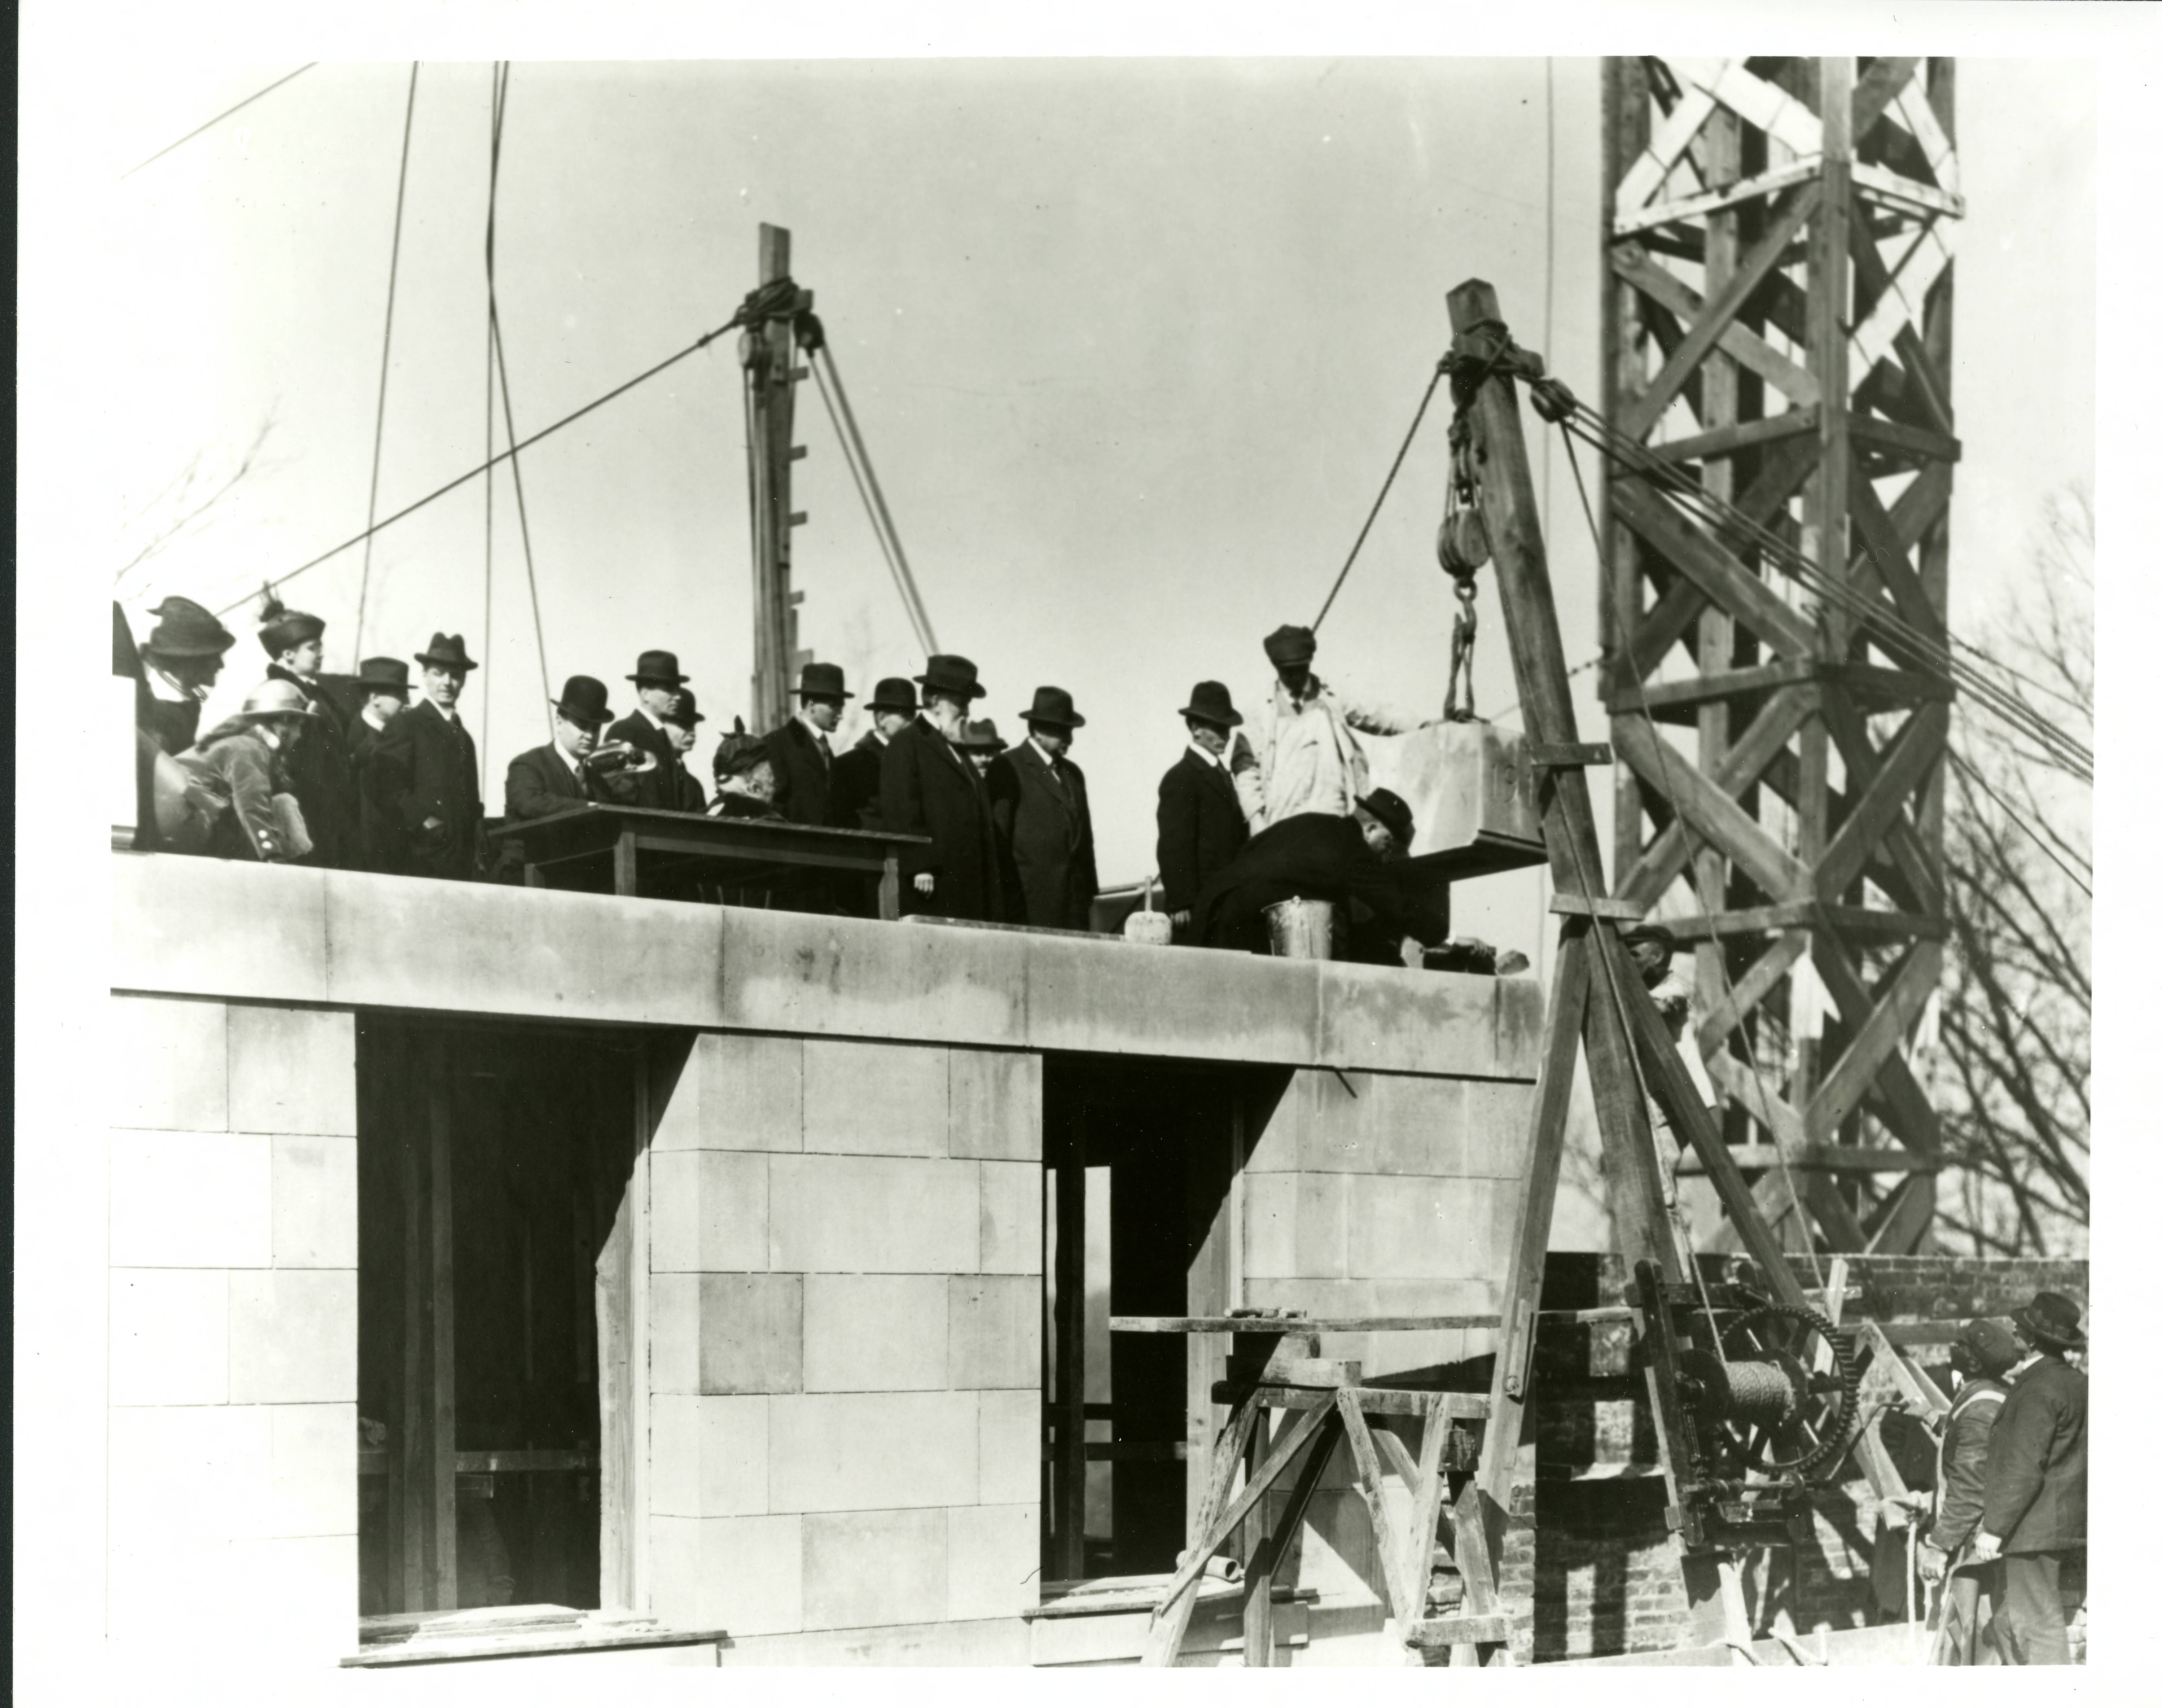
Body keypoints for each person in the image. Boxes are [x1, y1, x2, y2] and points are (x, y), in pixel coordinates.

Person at [1974, 1292, 2088, 1665]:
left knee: (2037, 1630)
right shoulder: (2075, 1383)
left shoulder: (2038, 1388)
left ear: (2033, 1339)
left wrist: (1994, 1528)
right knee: (2007, 1624)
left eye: (2020, 1327)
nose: (2012, 1328)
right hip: (2061, 1525)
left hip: (2032, 1530)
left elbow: (2023, 1466)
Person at [1192, 788, 1434, 963]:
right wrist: (1438, 934)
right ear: (1371, 829)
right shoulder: (1353, 849)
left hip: (1212, 910)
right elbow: (1394, 905)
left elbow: (1251, 849)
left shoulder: (1312, 822)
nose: (1385, 855)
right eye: (1388, 845)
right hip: (1244, 925)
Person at [1249, 623, 1431, 829]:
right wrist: (1256, 818)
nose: (1298, 677)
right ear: (1277, 667)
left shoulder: (1331, 697)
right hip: (1284, 818)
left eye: (1303, 668)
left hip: (1332, 813)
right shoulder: (1260, 712)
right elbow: (1247, 769)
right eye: (1290, 671)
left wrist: (1423, 724)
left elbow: (1375, 714)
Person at [1918, 1318, 2023, 1664]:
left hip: (1976, 1548)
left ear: (1971, 1361)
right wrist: (1936, 1418)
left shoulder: (1980, 1408)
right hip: (1982, 1540)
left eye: (1959, 1346)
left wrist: (1937, 1546)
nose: (1951, 1350)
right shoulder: (1991, 1392)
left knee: (1974, 1640)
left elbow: (1969, 1487)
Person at [880, 654, 1003, 923]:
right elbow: (901, 808)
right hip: (933, 883)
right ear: (935, 701)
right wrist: (920, 866)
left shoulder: (956, 748)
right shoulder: (907, 743)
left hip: (967, 881)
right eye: (961, 703)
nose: (967, 712)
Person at [368, 633, 485, 881]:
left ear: (463, 680)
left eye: (455, 675)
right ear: (424, 676)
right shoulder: (407, 724)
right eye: (438, 673)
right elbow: (385, 786)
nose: (447, 682)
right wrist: (424, 822)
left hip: (462, 863)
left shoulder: (465, 739)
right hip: (421, 859)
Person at [254, 591, 357, 868]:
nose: (321, 654)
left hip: (333, 817)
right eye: (313, 648)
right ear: (288, 654)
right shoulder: (273, 696)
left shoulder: (322, 696)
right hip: (303, 816)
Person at [177, 679, 321, 862]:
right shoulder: (250, 749)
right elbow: (252, 805)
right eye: (299, 726)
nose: (300, 735)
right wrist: (272, 854)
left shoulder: (247, 742)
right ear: (284, 721)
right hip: (183, 820)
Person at [1155, 682, 1255, 942]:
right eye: (1219, 727)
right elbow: (1173, 844)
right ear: (1196, 728)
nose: (1227, 735)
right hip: (1197, 908)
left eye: (1228, 728)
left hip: (1225, 903)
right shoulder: (1181, 777)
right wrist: (1181, 901)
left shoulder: (1223, 776)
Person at [1003, 687, 1100, 931]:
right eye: (1062, 731)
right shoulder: (1008, 766)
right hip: (1030, 902)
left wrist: (1089, 891)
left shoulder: (1073, 774)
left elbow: (1085, 840)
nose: (1069, 739)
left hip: (1074, 904)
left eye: (1070, 731)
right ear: (1037, 730)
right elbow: (1000, 838)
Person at [135, 595, 238, 757]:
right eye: (214, 657)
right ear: (190, 660)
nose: (221, 665)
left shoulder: (186, 701)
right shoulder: (154, 708)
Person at [348, 657, 415, 873]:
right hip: (365, 849)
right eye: (398, 694)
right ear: (375, 698)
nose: (406, 701)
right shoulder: (353, 734)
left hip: (391, 847)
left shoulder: (393, 734)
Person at [767, 661, 851, 827]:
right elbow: (771, 807)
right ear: (811, 704)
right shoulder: (777, 744)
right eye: (835, 708)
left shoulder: (824, 749)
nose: (841, 715)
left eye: (842, 708)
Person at [957, 718, 1025, 922]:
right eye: (976, 753)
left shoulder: (1003, 793)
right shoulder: (956, 792)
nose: (984, 759)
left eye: (990, 753)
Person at [606, 649, 691, 810]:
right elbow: (616, 793)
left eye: (677, 690)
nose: (678, 696)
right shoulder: (624, 731)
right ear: (645, 694)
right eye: (669, 689)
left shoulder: (662, 737)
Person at [830, 677, 916, 832]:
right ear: (882, 718)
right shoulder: (849, 766)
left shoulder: (916, 763)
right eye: (906, 717)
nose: (912, 725)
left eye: (913, 718)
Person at [661, 687, 710, 813]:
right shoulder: (648, 774)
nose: (693, 733)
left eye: (693, 726)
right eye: (684, 724)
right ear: (661, 725)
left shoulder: (694, 786)